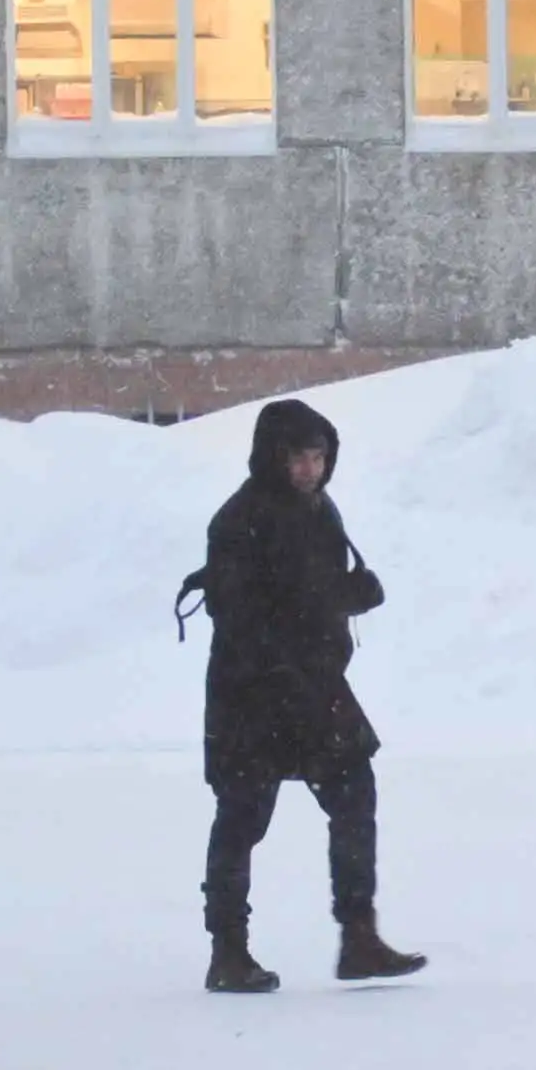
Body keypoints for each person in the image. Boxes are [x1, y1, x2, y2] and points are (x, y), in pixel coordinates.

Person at [181, 395, 420, 994]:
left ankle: (359, 937)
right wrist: (316, 616)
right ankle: (228, 952)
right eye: (298, 457)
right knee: (242, 818)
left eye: (318, 457)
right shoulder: (238, 520)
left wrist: (349, 595)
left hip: (316, 686)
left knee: (355, 795)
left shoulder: (320, 511)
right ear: (272, 456)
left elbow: (313, 593)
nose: (310, 469)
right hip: (252, 693)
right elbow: (240, 613)